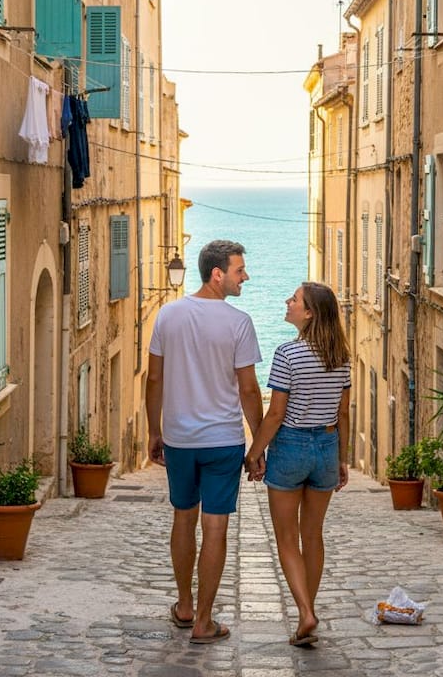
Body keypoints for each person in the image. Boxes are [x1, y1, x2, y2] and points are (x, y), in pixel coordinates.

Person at [145, 239, 263, 645]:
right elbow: (249, 390)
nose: (244, 276)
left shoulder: (168, 316)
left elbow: (155, 379)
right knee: (216, 527)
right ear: (218, 274)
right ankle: (205, 621)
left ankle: (184, 605)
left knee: (183, 517)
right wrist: (259, 444)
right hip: (223, 441)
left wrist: (153, 431)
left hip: (179, 438)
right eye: (239, 270)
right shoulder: (239, 322)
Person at [245, 282, 351, 647]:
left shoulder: (288, 354)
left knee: (287, 537)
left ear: (309, 314)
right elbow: (342, 413)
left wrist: (255, 452)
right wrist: (342, 458)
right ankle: (310, 608)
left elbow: (275, 414)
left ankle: (305, 612)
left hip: (290, 445)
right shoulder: (341, 357)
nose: (287, 302)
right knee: (313, 535)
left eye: (294, 300)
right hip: (326, 445)